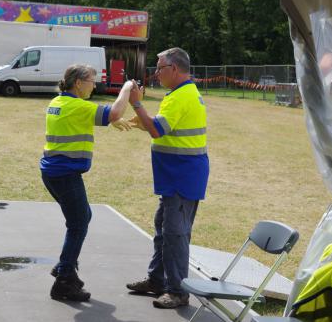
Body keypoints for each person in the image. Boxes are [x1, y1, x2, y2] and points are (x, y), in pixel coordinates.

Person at [40, 64, 134, 302]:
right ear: (79, 83)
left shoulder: (58, 102)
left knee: (81, 219)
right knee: (79, 222)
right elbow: (113, 112)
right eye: (93, 81)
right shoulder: (77, 106)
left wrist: (111, 119)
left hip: (53, 172)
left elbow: (96, 116)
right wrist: (126, 88)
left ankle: (66, 266)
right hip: (65, 174)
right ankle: (63, 280)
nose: (96, 85)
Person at [125, 47, 209, 309]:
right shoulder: (182, 93)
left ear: (173, 69)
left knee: (175, 234)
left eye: (159, 68)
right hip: (177, 175)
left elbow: (158, 130)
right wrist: (142, 120)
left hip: (181, 176)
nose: (155, 73)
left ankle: (177, 291)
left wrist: (137, 103)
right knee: (163, 228)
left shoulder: (179, 97)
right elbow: (164, 126)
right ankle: (156, 280)